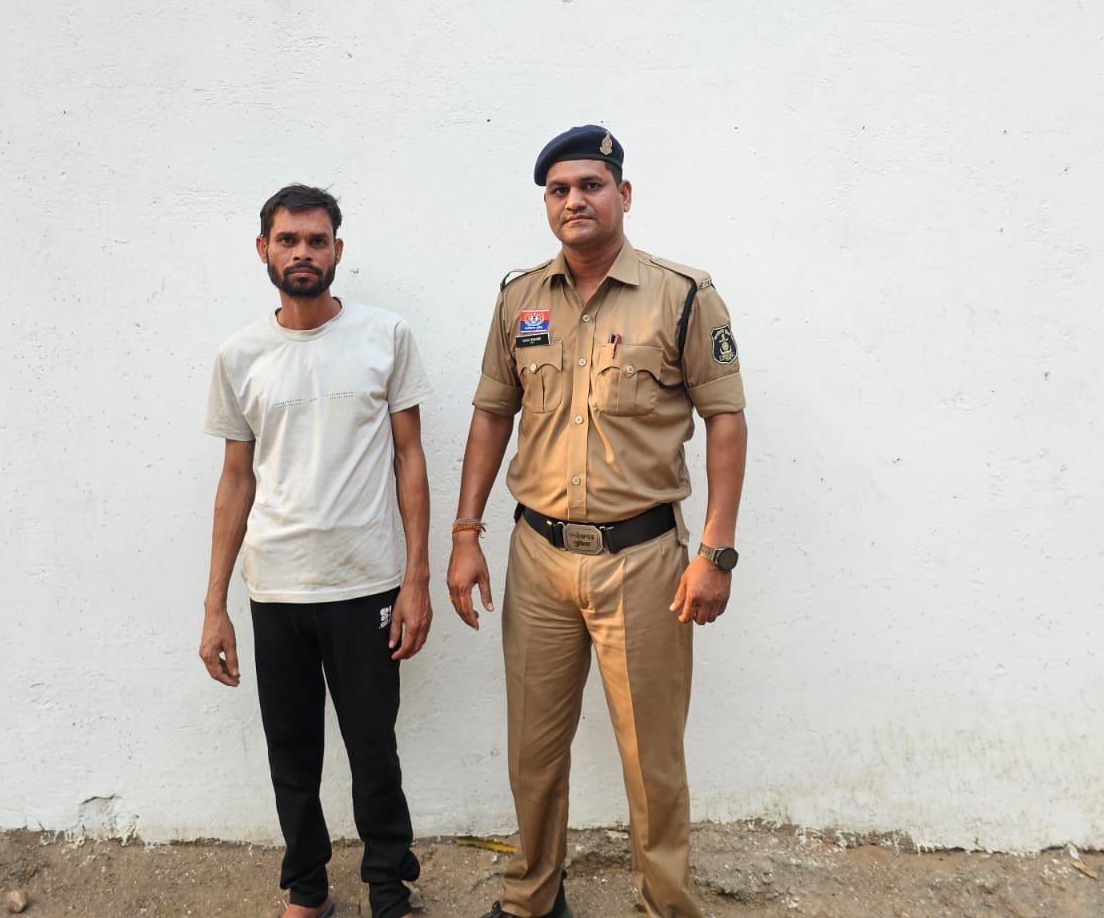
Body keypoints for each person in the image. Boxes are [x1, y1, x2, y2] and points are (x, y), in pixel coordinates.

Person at [446, 128, 748, 918]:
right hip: (538, 557)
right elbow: (491, 414)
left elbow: (726, 418)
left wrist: (715, 550)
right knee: (533, 752)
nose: (573, 200)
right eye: (558, 190)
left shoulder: (683, 295)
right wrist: (465, 534)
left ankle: (664, 906)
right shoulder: (519, 299)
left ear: (624, 194)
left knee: (651, 760)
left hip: (642, 561)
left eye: (590, 184)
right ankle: (532, 899)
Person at [200, 184, 431, 918]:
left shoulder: (385, 336)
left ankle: (389, 888)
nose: (303, 252)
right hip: (275, 588)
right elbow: (235, 480)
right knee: (292, 754)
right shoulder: (240, 356)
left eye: (317, 240)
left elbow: (410, 458)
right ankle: (307, 890)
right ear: (263, 249)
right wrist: (214, 606)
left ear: (337, 250)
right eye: (288, 239)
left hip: (365, 585)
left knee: (374, 752)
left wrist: (416, 579)